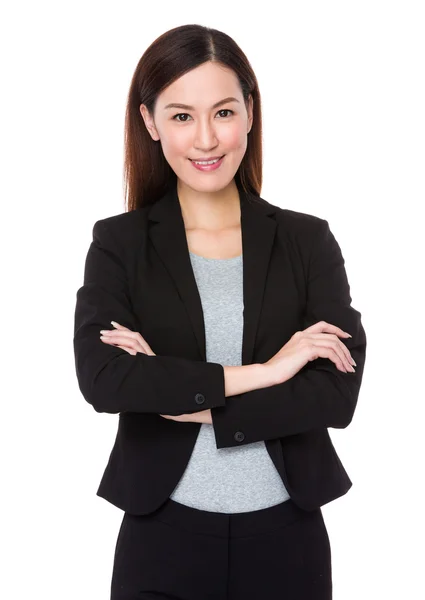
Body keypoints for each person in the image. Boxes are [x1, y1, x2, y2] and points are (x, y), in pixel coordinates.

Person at [73, 23, 367, 600]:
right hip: (161, 538)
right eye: (182, 116)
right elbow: (106, 380)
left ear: (250, 114)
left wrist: (186, 401)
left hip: (287, 543)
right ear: (150, 122)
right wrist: (270, 372)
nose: (206, 139)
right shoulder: (120, 245)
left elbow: (335, 395)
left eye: (223, 112)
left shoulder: (307, 241)